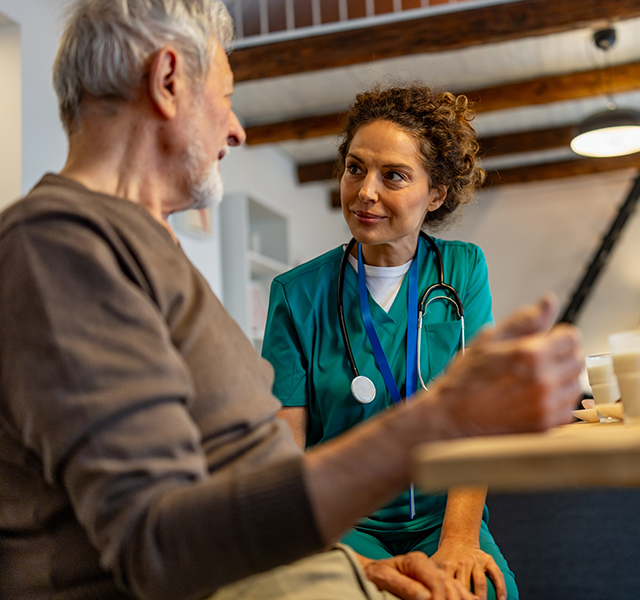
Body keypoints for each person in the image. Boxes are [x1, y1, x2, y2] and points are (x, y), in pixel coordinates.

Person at [0, 1, 583, 600]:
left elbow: (237, 484)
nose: (237, 130)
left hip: (311, 560)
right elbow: (158, 544)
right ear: (169, 81)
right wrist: (438, 421)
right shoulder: (62, 249)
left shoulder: (141, 251)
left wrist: (356, 570)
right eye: (225, 97)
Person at [261, 85, 516, 600]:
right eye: (355, 168)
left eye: (393, 176)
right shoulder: (296, 295)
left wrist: (461, 540)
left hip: (446, 514)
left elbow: (478, 414)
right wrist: (345, 561)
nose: (365, 192)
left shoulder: (462, 270)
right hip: (342, 521)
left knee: (479, 594)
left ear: (436, 193)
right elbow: (282, 460)